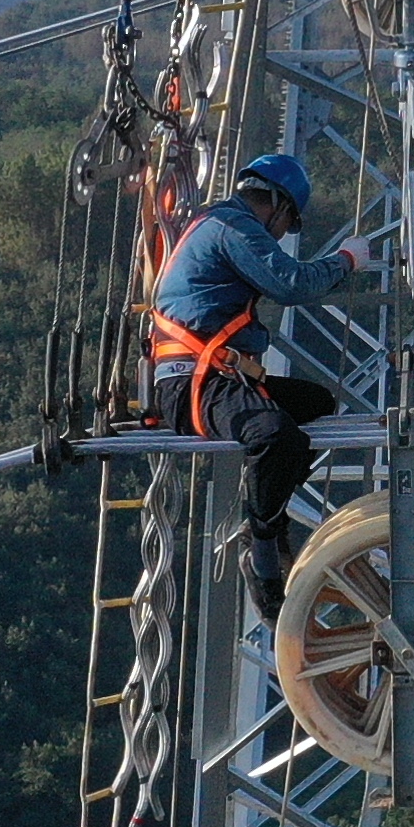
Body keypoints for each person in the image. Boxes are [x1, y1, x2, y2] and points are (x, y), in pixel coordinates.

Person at [149, 149, 365, 614]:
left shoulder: (217, 224)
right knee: (274, 435)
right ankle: (262, 545)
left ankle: (269, 514)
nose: (286, 234)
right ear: (280, 206)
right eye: (291, 223)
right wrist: (347, 260)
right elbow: (290, 283)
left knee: (316, 403)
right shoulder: (232, 227)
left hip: (216, 376)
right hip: (194, 384)